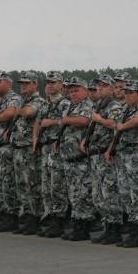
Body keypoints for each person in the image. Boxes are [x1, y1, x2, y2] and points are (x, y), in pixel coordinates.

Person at [106, 79, 138, 247]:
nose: (127, 95)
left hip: (135, 155)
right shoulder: (124, 109)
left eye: (131, 92)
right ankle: (132, 228)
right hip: (122, 153)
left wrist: (123, 126)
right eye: (126, 92)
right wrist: (111, 147)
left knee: (137, 194)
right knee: (125, 194)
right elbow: (116, 131)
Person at [81, 74, 123, 245]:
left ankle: (116, 229)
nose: (100, 88)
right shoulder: (98, 105)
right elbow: (92, 126)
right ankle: (107, 227)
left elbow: (114, 125)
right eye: (99, 86)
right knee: (98, 195)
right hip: (95, 155)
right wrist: (86, 140)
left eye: (105, 86)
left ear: (112, 89)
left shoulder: (115, 106)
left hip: (107, 155)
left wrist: (99, 119)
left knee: (110, 193)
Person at [33, 70, 71, 237]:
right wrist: (35, 138)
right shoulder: (45, 104)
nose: (49, 85)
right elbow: (38, 122)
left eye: (53, 82)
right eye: (48, 82)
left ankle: (60, 220)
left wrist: (52, 122)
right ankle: (52, 215)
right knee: (46, 185)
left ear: (61, 85)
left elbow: (66, 123)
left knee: (58, 186)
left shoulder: (65, 103)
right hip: (46, 148)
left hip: (58, 148)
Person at [58, 77, 95, 241]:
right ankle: (77, 222)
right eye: (71, 91)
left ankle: (83, 226)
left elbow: (84, 120)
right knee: (74, 194)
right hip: (69, 158)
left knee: (82, 193)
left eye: (76, 90)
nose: (73, 93)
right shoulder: (71, 107)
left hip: (81, 159)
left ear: (86, 91)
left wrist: (66, 119)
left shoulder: (87, 105)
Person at [9, 71, 45, 235]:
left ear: (35, 84)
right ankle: (28, 215)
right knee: (21, 186)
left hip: (29, 150)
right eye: (21, 83)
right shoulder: (23, 102)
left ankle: (35, 218)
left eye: (27, 83)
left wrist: (18, 110)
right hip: (18, 149)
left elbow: (30, 112)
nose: (23, 85)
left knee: (32, 185)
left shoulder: (38, 100)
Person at [0, 71, 22, 231]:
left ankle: (11, 215)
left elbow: (11, 112)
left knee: (8, 182)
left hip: (6, 147)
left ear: (8, 83)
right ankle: (1, 214)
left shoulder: (13, 98)